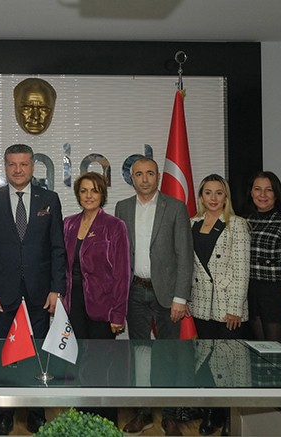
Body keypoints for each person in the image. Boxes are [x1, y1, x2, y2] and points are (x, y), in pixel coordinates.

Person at [0, 144, 66, 435]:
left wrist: (57, 289)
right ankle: (4, 415)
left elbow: (57, 248)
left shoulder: (49, 199)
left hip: (40, 293)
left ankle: (36, 413)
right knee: (6, 355)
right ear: (5, 166)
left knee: (38, 354)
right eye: (12, 164)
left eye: (23, 164)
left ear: (32, 166)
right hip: (2, 295)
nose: (18, 170)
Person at [114, 156, 193, 436]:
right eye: (139, 174)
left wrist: (180, 298)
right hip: (134, 291)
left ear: (158, 176)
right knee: (139, 355)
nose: (145, 179)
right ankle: (143, 413)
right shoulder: (122, 207)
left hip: (167, 295)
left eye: (150, 173)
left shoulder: (175, 207)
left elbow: (185, 255)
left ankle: (169, 416)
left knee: (168, 355)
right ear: (132, 178)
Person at [62, 171, 129, 426]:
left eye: (94, 190)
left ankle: (105, 422)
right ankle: (81, 419)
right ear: (78, 195)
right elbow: (62, 266)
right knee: (77, 361)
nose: (88, 195)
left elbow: (122, 272)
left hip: (103, 305)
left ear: (102, 194)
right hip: (73, 304)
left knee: (102, 364)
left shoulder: (114, 226)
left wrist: (118, 313)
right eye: (83, 191)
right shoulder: (68, 224)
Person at [188, 174, 251, 435]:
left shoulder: (237, 224)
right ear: (201, 196)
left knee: (230, 362)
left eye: (219, 193)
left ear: (226, 197)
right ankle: (211, 413)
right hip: (201, 305)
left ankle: (229, 418)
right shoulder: (192, 223)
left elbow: (242, 269)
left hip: (228, 306)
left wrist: (235, 307)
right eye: (208, 193)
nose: (213, 198)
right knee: (206, 360)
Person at [245, 171, 281, 342]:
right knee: (259, 350)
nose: (262, 195)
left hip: (277, 294)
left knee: (276, 350)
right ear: (251, 192)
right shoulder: (245, 220)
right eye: (257, 189)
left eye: (269, 190)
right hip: (251, 292)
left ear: (276, 194)